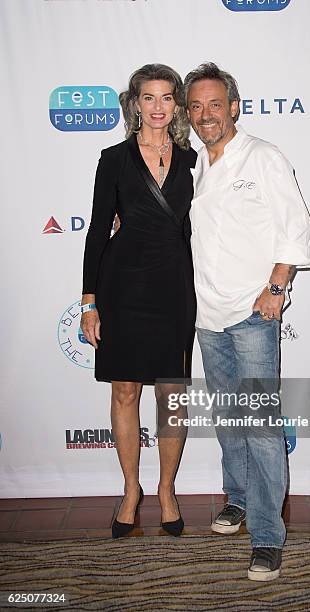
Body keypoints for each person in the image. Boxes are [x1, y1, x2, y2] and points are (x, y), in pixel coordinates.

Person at [184, 63, 310, 580]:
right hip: (206, 314)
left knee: (259, 426)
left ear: (235, 106)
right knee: (229, 418)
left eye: (215, 104)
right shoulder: (194, 167)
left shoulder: (263, 157)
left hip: (253, 314)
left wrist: (276, 287)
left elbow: (296, 226)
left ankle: (266, 535)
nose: (205, 115)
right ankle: (236, 500)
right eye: (195, 106)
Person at [81, 64, 197, 538]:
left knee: (172, 394)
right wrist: (90, 300)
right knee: (124, 391)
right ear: (134, 103)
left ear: (177, 104)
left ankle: (167, 489)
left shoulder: (196, 159)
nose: (156, 107)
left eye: (166, 97)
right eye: (147, 97)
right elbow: (95, 229)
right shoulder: (113, 158)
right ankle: (131, 489)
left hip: (174, 286)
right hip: (122, 285)